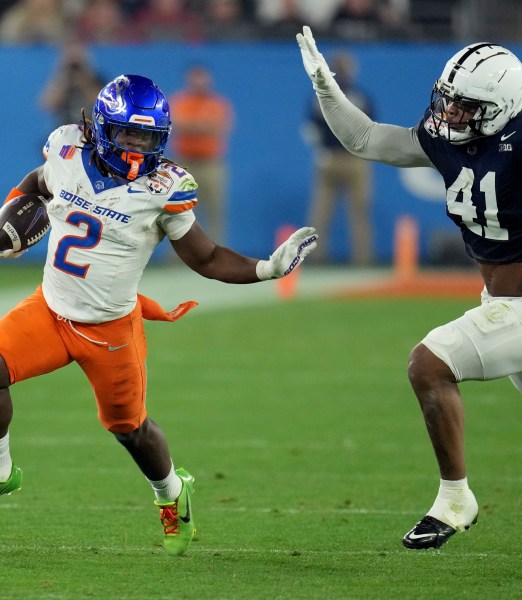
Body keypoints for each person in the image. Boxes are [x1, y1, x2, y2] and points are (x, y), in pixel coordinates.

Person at [297, 26, 522, 550]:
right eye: (449, 99)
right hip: (500, 304)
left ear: (502, 105)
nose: (452, 112)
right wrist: (327, 85)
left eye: (466, 104)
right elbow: (366, 138)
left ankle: (455, 497)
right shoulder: (443, 137)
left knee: (428, 364)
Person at [0, 74, 317, 557]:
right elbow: (36, 184)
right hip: (48, 309)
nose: (137, 146)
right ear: (104, 129)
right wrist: (13, 217)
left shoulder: (165, 187)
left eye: (148, 137)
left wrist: (265, 268)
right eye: (128, 134)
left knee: (130, 430)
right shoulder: (65, 149)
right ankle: (1, 470)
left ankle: (172, 492)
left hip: (109, 328)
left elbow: (206, 258)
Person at [302, 51, 375, 265]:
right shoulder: (359, 96)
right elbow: (372, 129)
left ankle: (319, 256)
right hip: (348, 157)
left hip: (334, 157)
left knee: (327, 210)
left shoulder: (322, 95)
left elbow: (310, 129)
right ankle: (361, 259)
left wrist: (320, 149)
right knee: (341, 211)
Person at [169, 65, 234, 242]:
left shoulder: (217, 104)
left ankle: (216, 254)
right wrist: (201, 126)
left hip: (211, 163)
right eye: (194, 78)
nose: (199, 82)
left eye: (202, 77)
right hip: (183, 163)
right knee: (180, 210)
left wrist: (193, 126)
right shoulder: (180, 102)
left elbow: (220, 128)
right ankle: (178, 257)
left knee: (215, 210)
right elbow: (177, 125)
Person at [40, 41, 105, 129]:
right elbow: (48, 105)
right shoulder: (62, 81)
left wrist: (85, 83)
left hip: (90, 127)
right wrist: (62, 81)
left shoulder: (96, 80)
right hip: (66, 128)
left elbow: (102, 106)